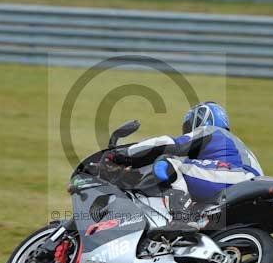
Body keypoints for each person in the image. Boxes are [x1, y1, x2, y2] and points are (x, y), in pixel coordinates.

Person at [110, 101, 263, 236]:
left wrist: (125, 155)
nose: (188, 130)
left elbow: (167, 144)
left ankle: (183, 219)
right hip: (247, 186)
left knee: (168, 162)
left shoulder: (211, 131)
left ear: (201, 118)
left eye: (189, 125)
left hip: (234, 177)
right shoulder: (233, 146)